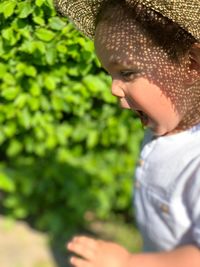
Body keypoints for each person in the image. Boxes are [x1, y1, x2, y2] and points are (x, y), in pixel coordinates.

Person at [55, 0, 200, 266]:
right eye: (111, 74)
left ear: (191, 64)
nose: (113, 89)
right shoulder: (168, 126)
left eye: (127, 72)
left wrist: (127, 262)